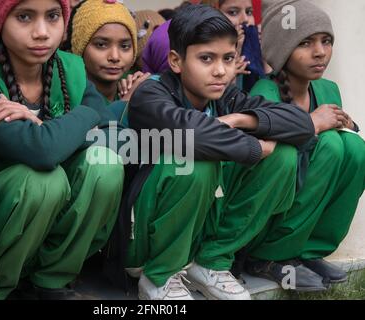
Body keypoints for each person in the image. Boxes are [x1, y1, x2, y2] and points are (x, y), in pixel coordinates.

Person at [124, 4, 314, 300]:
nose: (221, 70)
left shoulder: (227, 97)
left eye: (228, 58)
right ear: (176, 60)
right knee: (194, 161)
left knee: (283, 155)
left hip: (197, 228)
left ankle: (211, 262)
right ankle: (159, 275)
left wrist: (243, 119)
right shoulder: (151, 93)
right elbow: (191, 135)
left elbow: (302, 124)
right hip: (143, 236)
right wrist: (253, 146)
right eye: (206, 59)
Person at [0, 0, 124, 300]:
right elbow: (43, 153)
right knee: (43, 178)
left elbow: (112, 133)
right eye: (25, 17)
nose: (42, 33)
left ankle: (50, 281)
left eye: (53, 16)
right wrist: (81, 117)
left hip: (39, 223)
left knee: (104, 163)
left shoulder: (71, 69)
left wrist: (43, 128)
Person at [245, 0, 365, 291]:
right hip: (266, 214)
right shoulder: (264, 94)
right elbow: (269, 164)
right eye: (305, 43)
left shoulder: (327, 89)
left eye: (326, 41)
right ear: (282, 49)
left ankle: (308, 251)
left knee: (354, 148)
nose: (320, 52)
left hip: (303, 210)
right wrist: (310, 126)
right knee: (332, 147)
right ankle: (270, 255)